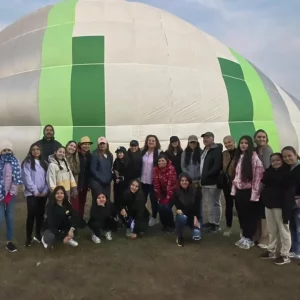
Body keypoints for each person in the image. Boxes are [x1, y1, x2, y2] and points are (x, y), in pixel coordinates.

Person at [259, 153, 293, 265]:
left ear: (282, 161)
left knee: (284, 230)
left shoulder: (287, 174)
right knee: (272, 230)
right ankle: (272, 250)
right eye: (273, 161)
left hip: (281, 206)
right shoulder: (268, 172)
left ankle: (285, 255)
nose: (275, 162)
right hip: (269, 205)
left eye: (278, 160)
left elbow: (288, 192)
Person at [231, 136, 264, 250]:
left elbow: (257, 179)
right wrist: (234, 190)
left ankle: (249, 237)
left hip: (249, 192)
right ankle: (244, 236)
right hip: (239, 192)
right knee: (242, 215)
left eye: (246, 143)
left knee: (250, 216)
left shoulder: (255, 158)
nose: (243, 145)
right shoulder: (239, 157)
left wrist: (254, 196)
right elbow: (236, 176)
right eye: (241, 143)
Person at [21, 142, 49, 247]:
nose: (35, 151)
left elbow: (47, 179)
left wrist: (45, 190)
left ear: (41, 151)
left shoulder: (45, 163)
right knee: (31, 215)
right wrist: (35, 191)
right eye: (33, 149)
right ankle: (28, 238)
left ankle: (38, 235)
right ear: (30, 151)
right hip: (32, 194)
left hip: (43, 194)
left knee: (40, 215)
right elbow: (27, 179)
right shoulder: (27, 163)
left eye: (37, 149)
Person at [0, 141, 22, 252]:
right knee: (0, 218)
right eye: (4, 150)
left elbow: (17, 179)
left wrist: (10, 194)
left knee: (9, 217)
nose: (7, 152)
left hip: (10, 195)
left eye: (9, 150)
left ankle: (9, 241)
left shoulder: (16, 161)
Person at [254, 129, 274, 249]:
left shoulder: (268, 150)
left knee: (264, 212)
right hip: (257, 185)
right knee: (258, 211)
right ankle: (259, 234)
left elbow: (266, 169)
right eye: (259, 137)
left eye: (264, 137)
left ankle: (265, 237)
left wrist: (261, 186)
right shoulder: (256, 150)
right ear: (255, 138)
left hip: (265, 185)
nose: (262, 139)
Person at [200, 132, 222, 233]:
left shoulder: (216, 150)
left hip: (213, 181)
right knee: (208, 203)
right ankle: (210, 221)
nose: (205, 139)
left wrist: (206, 175)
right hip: (204, 181)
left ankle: (216, 224)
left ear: (213, 138)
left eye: (208, 137)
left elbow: (216, 166)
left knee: (215, 203)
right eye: (204, 138)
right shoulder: (205, 150)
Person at [281, 146, 300, 259]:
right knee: (292, 226)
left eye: (289, 156)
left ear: (296, 154)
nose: (287, 158)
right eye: (285, 157)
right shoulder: (288, 169)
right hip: (290, 202)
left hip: (298, 202)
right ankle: (295, 249)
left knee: (298, 227)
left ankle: (298, 251)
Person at [173, 173, 201, 247]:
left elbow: (197, 206)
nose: (184, 182)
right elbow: (179, 208)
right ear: (179, 182)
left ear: (189, 181)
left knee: (197, 235)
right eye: (182, 180)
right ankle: (180, 236)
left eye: (186, 180)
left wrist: (196, 216)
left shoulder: (196, 192)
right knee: (182, 217)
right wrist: (193, 215)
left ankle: (195, 228)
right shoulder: (176, 192)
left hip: (193, 213)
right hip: (185, 215)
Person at [140, 135, 162, 227]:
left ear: (156, 142)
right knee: (141, 200)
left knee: (153, 201)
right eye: (149, 140)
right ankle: (145, 215)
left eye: (153, 140)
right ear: (147, 142)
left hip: (153, 181)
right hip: (143, 181)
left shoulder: (159, 152)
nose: (151, 142)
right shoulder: (142, 152)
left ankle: (153, 218)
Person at [153, 154, 177, 231]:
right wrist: (159, 197)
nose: (161, 162)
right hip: (162, 193)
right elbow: (156, 184)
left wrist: (167, 198)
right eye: (159, 161)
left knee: (166, 207)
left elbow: (170, 185)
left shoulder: (171, 169)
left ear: (166, 161)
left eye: (163, 160)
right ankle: (164, 224)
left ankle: (171, 225)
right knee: (160, 207)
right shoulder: (155, 170)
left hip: (172, 192)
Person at [220, 136, 237, 236]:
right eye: (225, 143)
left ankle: (243, 228)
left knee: (240, 206)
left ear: (234, 142)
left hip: (239, 184)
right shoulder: (224, 154)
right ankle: (228, 227)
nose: (227, 144)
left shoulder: (240, 152)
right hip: (227, 183)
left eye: (229, 142)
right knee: (229, 205)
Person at [90, 137, 113, 201]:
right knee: (98, 201)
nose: (102, 145)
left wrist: (109, 178)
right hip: (97, 183)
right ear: (98, 145)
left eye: (104, 144)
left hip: (107, 183)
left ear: (107, 144)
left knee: (107, 201)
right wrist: (102, 179)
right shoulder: (95, 154)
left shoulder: (110, 155)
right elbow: (93, 170)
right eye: (100, 144)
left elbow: (110, 168)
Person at [77, 136, 93, 226]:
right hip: (76, 182)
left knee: (83, 201)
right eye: (85, 144)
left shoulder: (89, 156)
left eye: (88, 144)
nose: (87, 146)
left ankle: (80, 218)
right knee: (76, 201)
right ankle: (75, 219)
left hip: (85, 182)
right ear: (81, 145)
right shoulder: (76, 154)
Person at [113, 146, 130, 217]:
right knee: (117, 200)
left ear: (124, 153)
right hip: (117, 185)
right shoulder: (116, 161)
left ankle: (127, 216)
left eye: (121, 153)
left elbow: (130, 173)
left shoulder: (128, 161)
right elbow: (114, 172)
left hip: (126, 185)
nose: (119, 154)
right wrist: (115, 178)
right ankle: (118, 216)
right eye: (118, 153)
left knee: (125, 200)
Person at [65, 141, 80, 210]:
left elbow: (76, 175)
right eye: (71, 145)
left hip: (69, 187)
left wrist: (74, 189)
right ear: (67, 146)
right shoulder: (60, 155)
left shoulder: (75, 160)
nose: (72, 148)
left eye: (74, 147)